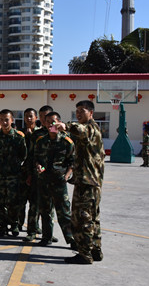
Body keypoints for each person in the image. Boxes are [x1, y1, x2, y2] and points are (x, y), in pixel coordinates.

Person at [55, 100, 105, 265]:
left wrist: (66, 126)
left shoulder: (90, 128)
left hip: (87, 183)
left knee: (82, 219)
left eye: (82, 111)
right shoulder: (92, 130)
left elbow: (80, 129)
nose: (78, 114)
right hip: (90, 182)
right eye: (77, 111)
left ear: (91, 113)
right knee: (93, 218)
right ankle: (95, 250)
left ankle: (84, 254)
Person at [33, 112, 76, 248]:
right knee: (45, 211)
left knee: (64, 212)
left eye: (53, 122)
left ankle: (72, 240)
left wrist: (66, 176)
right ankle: (47, 237)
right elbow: (37, 159)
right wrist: (39, 167)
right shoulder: (41, 141)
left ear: (59, 123)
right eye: (47, 122)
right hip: (44, 180)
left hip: (59, 181)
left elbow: (73, 161)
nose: (50, 124)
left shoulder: (67, 142)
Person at [0, 110, 27, 237]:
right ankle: (3, 226)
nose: (4, 122)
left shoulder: (19, 137)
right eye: (1, 120)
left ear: (12, 120)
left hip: (13, 175)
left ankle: (14, 224)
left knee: (13, 202)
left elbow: (23, 155)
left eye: (6, 120)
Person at [19, 108, 40, 236]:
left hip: (36, 173)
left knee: (35, 202)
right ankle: (18, 224)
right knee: (20, 201)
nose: (28, 118)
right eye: (26, 116)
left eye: (31, 116)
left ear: (36, 118)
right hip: (22, 172)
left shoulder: (40, 133)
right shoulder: (20, 133)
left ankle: (34, 226)